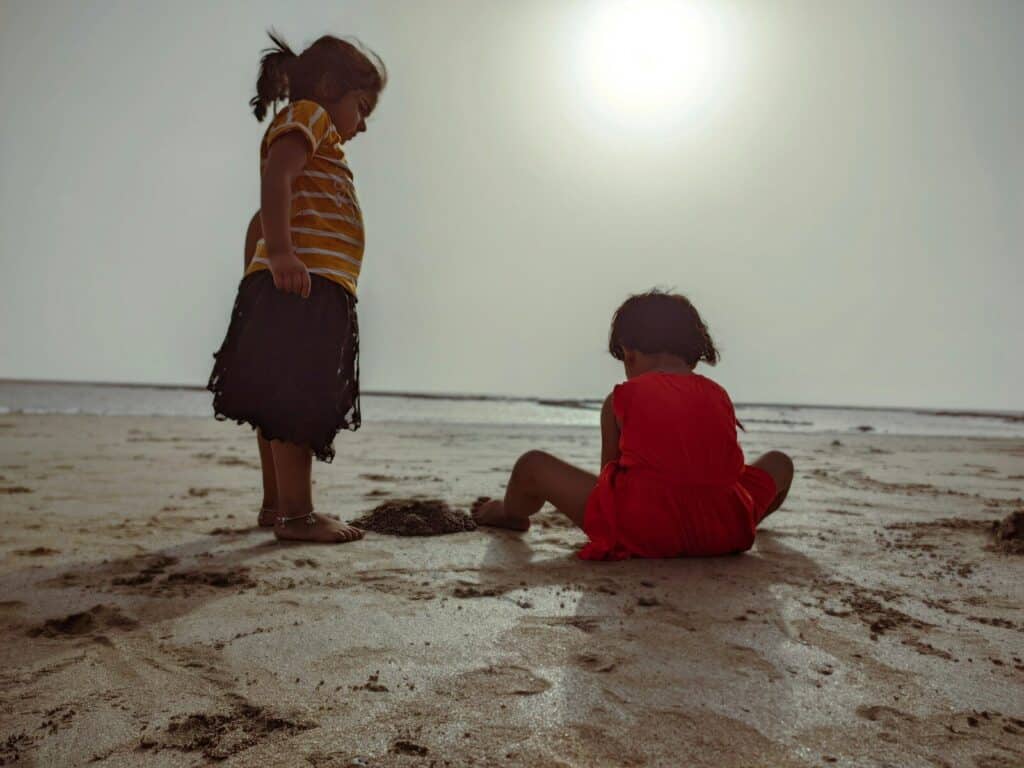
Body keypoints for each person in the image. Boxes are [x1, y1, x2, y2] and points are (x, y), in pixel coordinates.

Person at [208, 31, 386, 543]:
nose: (365, 122)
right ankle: (297, 516)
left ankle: (275, 507)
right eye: (362, 105)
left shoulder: (322, 140)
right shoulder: (310, 117)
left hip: (305, 287)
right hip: (302, 288)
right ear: (331, 87)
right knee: (294, 401)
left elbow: (262, 214)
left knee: (275, 402)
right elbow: (276, 175)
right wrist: (282, 256)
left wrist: (260, 262)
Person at [473, 290, 794, 560]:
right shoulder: (719, 395)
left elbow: (608, 484)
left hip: (647, 530)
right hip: (727, 531)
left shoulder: (620, 399)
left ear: (628, 353)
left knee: (532, 465)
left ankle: (509, 513)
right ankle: (742, 522)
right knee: (780, 463)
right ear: (694, 357)